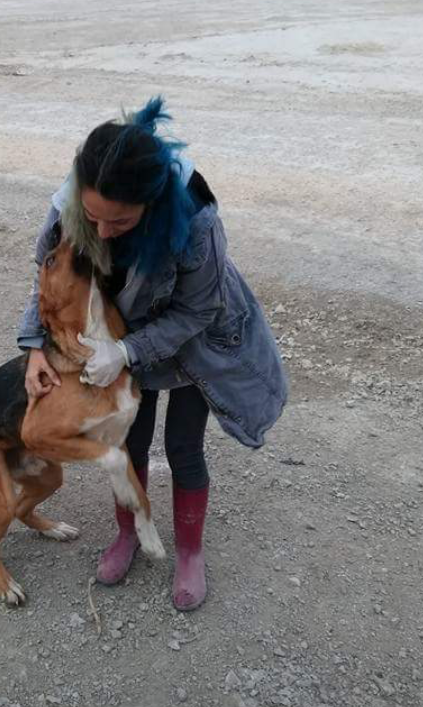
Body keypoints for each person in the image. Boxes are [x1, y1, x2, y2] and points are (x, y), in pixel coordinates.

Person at [18, 97, 287, 611]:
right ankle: (128, 535)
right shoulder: (71, 202)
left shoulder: (196, 220)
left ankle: (189, 552)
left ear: (152, 203)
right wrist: (34, 347)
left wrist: (126, 350)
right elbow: (44, 279)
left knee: (184, 447)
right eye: (91, 217)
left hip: (194, 345)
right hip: (120, 330)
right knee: (129, 444)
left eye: (119, 224)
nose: (100, 233)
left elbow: (197, 312)